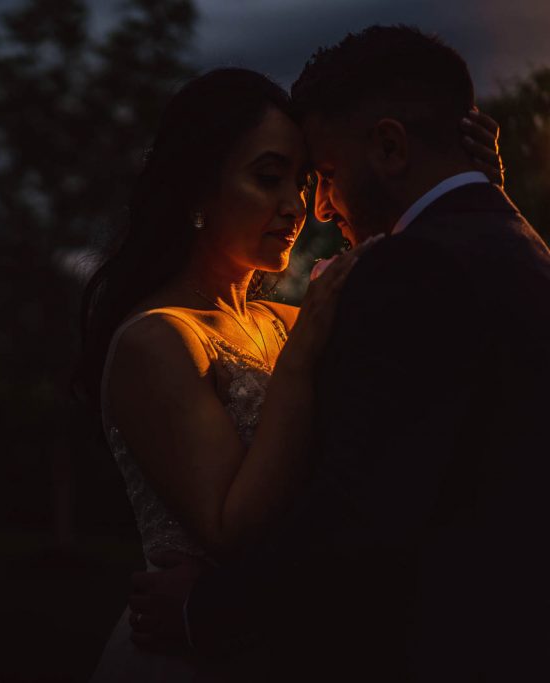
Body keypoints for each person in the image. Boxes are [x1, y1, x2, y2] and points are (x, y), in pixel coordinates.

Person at [125, 25, 550, 681]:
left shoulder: (411, 271)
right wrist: (485, 188)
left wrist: (204, 611)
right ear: (197, 192)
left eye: (318, 176)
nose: (312, 208)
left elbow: (362, 516)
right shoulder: (522, 248)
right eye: (276, 177)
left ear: (388, 145)